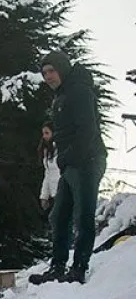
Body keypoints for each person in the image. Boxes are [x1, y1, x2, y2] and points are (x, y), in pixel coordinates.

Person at [30, 51, 107, 285]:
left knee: (83, 215)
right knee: (59, 215)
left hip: (86, 161)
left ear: (62, 69)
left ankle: (79, 268)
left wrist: (71, 157)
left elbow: (88, 129)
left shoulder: (79, 91)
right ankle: (57, 266)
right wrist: (64, 159)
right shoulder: (61, 95)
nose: (48, 77)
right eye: (44, 73)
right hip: (70, 163)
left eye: (51, 71)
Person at [37, 122, 60, 213]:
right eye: (43, 133)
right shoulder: (47, 151)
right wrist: (44, 196)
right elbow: (47, 174)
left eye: (47, 133)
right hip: (53, 193)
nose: (44, 136)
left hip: (62, 191)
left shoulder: (60, 149)